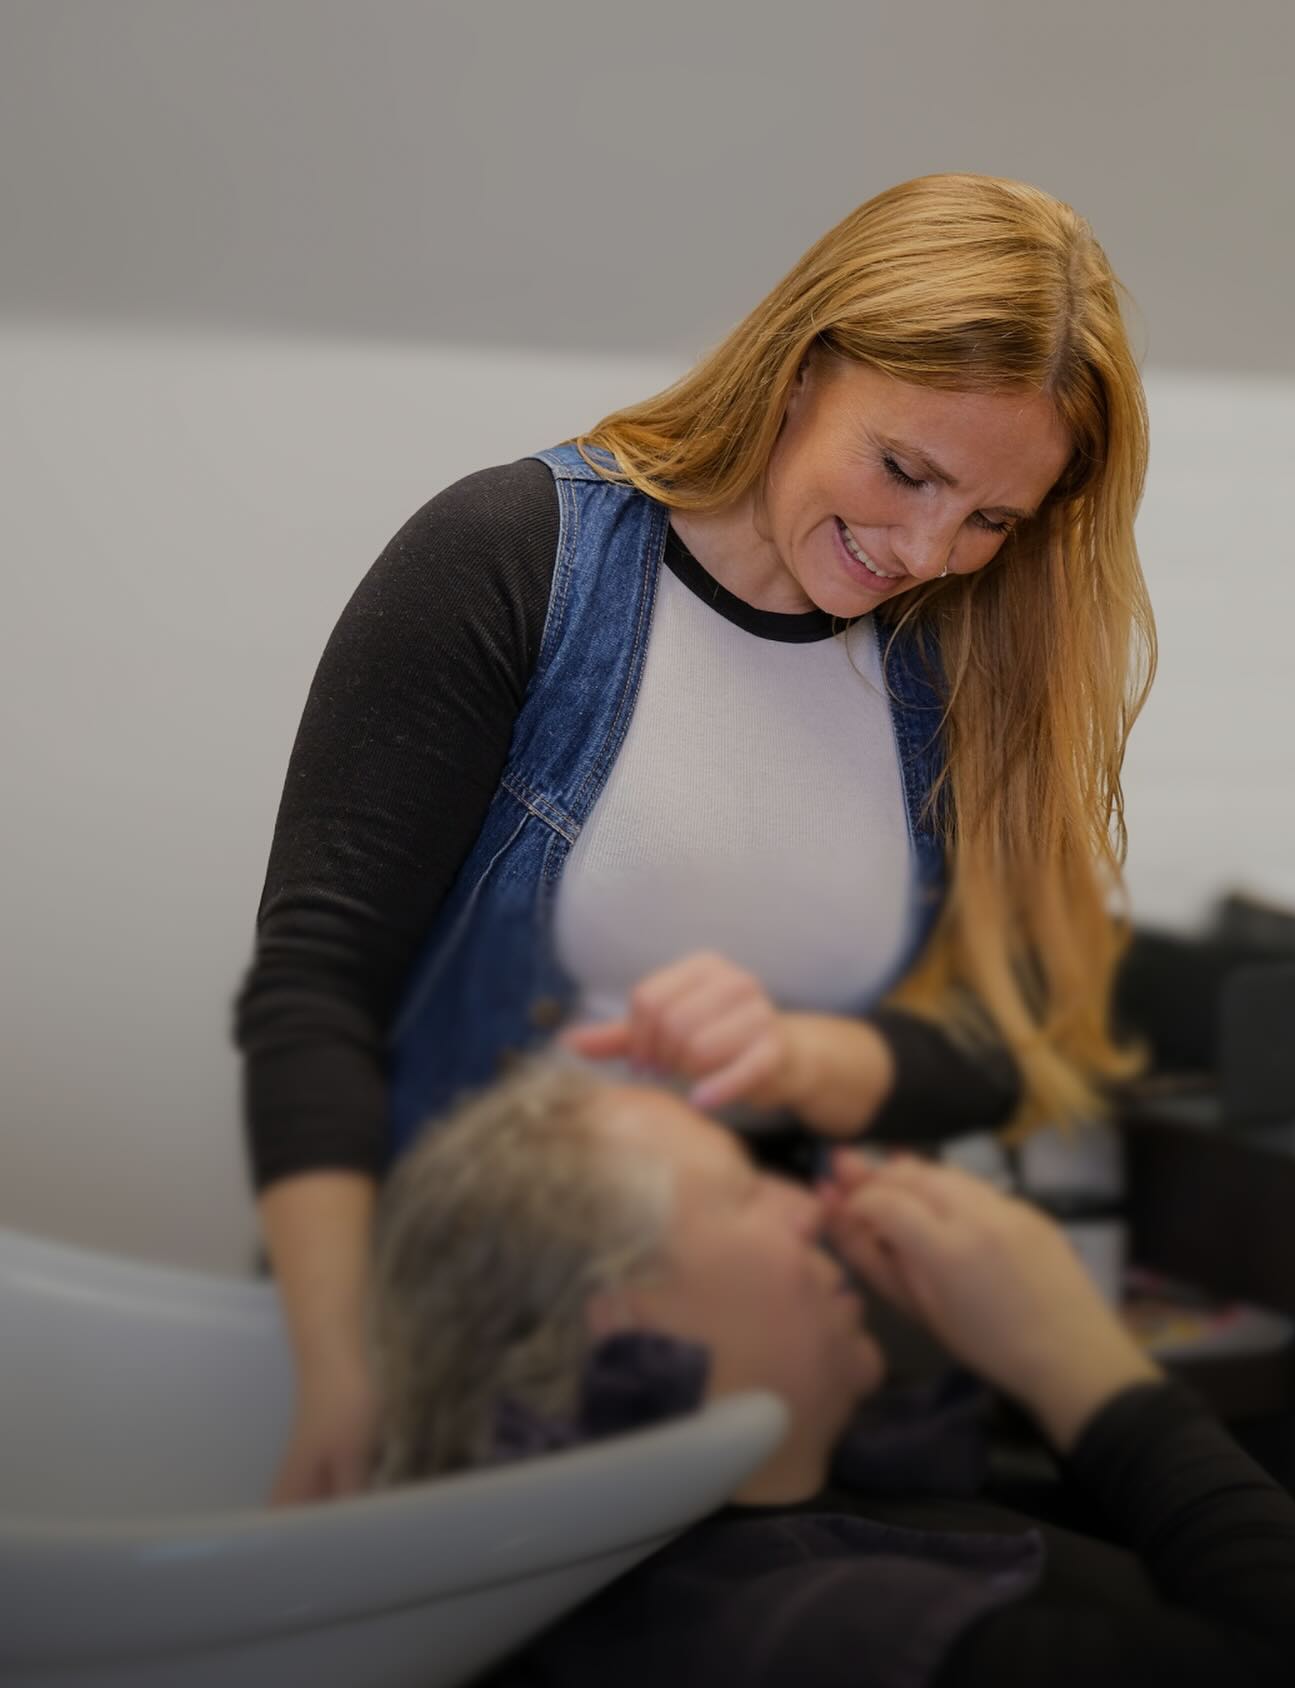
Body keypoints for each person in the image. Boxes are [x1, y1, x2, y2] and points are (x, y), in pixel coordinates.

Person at [235, 172, 1157, 1502]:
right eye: (905, 469)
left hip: (746, 1396)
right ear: (801, 368)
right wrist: (339, 1363)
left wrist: (795, 1055)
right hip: (445, 1349)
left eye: (990, 520)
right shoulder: (513, 559)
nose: (924, 548)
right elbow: (315, 985)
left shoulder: (959, 660)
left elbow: (1001, 1045)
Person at [370, 1063, 1295, 1688]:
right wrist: (1086, 1370)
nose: (808, 1207)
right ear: (625, 1314)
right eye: (744, 1189)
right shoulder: (786, 1639)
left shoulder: (838, 1491)